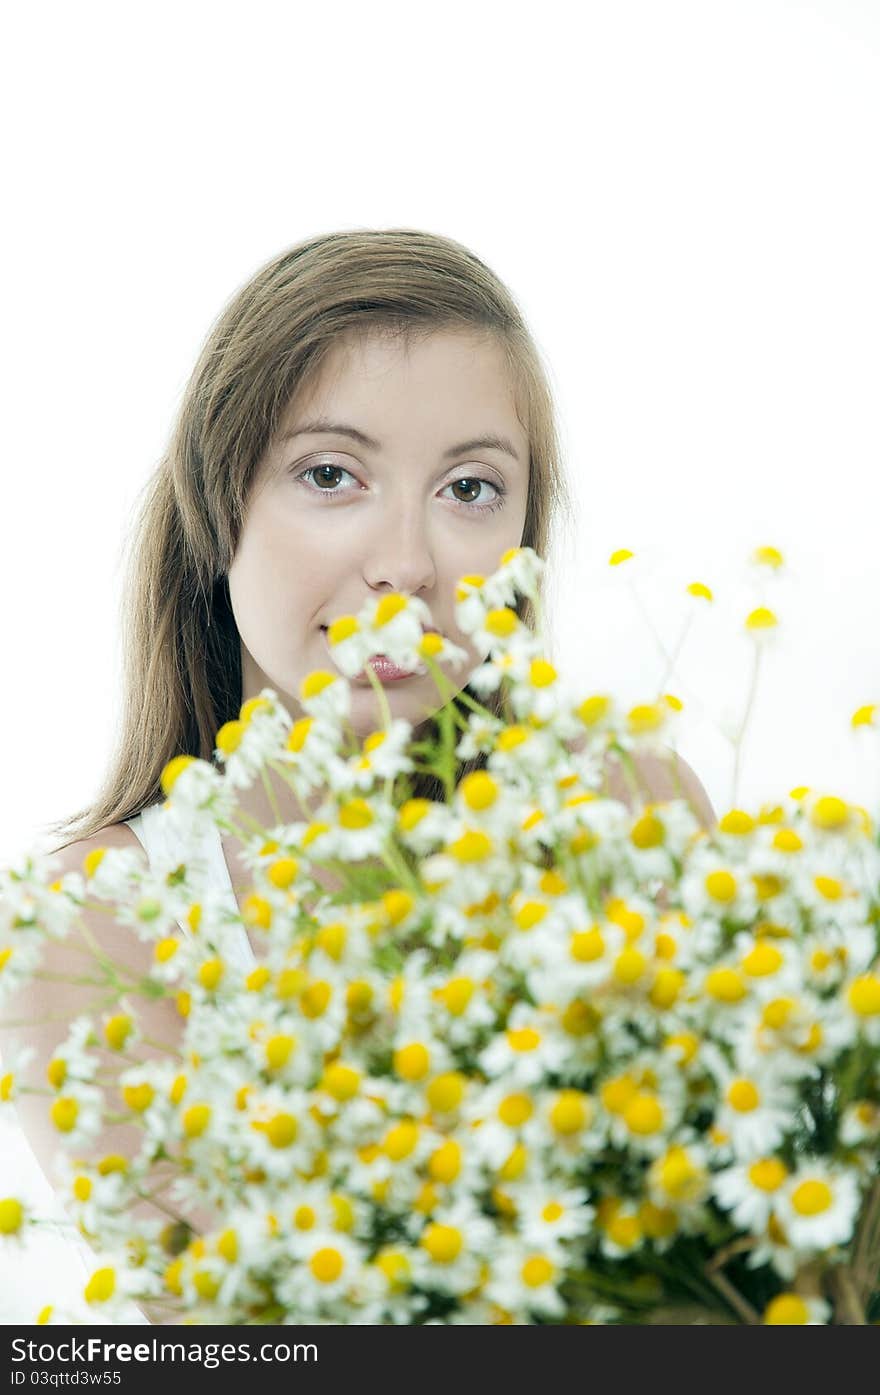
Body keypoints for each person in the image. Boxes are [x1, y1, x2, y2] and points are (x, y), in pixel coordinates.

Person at [2, 227, 715, 1312]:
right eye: (331, 475)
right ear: (218, 502)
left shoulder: (633, 803)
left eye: (471, 489)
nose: (407, 567)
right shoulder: (93, 923)